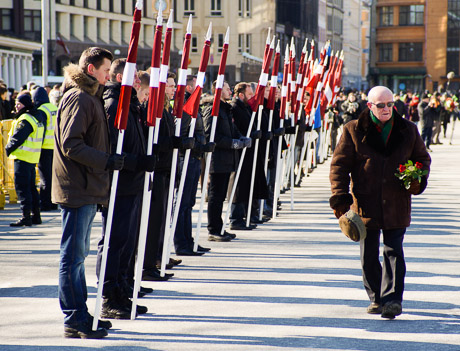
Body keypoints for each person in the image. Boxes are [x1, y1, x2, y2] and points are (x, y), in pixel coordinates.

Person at [329, 86, 431, 319]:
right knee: (368, 254)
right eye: (381, 105)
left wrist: (416, 177)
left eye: (390, 104)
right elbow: (339, 167)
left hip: (397, 201)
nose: (387, 109)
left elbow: (422, 159)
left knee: (394, 250)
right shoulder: (353, 129)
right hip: (365, 202)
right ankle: (377, 297)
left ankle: (393, 300)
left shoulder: (409, 130)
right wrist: (341, 199)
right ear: (370, 106)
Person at [52, 47, 121, 339]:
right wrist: (106, 161)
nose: (109, 75)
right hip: (77, 187)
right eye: (106, 70)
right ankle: (74, 317)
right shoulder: (79, 97)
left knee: (78, 254)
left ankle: (81, 313)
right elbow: (72, 144)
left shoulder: (89, 95)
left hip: (87, 186)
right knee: (73, 255)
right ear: (91, 69)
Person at [95, 58, 155, 319]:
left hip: (132, 183)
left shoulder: (130, 105)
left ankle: (121, 292)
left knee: (126, 242)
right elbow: (110, 149)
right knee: (113, 242)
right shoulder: (114, 104)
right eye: (136, 76)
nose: (140, 81)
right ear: (121, 78)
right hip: (118, 186)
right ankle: (108, 296)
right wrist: (138, 161)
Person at [173, 75, 214, 255]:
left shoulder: (194, 106)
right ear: (190, 87)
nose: (202, 89)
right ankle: (181, 244)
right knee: (182, 204)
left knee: (189, 203)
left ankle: (189, 241)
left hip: (194, 158)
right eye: (198, 86)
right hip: (186, 159)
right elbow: (183, 137)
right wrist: (200, 146)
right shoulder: (185, 107)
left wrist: (202, 147)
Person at [202, 81, 248, 241]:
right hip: (217, 160)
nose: (231, 91)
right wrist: (233, 143)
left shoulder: (225, 110)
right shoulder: (212, 110)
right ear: (219, 91)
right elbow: (210, 135)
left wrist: (242, 138)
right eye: (228, 89)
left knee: (221, 196)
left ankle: (219, 227)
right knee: (215, 196)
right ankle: (213, 230)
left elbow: (233, 130)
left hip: (227, 160)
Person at [230, 82, 267, 230]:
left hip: (250, 151)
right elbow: (236, 130)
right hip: (239, 152)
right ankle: (236, 218)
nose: (252, 98)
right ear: (241, 95)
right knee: (239, 186)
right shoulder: (234, 108)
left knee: (248, 184)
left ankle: (247, 215)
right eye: (249, 95)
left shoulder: (246, 107)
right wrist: (249, 135)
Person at [5, 92, 45, 226]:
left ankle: (25, 217)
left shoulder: (25, 119)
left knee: (23, 189)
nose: (16, 106)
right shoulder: (35, 118)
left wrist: (8, 149)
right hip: (31, 158)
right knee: (31, 188)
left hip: (22, 157)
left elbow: (18, 137)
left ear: (26, 105)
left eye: (19, 103)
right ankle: (35, 216)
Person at [32, 87, 59, 211]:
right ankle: (53, 202)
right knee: (53, 176)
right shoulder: (54, 108)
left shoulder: (41, 110)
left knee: (45, 178)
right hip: (56, 147)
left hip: (44, 148)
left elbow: (41, 130)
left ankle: (46, 203)